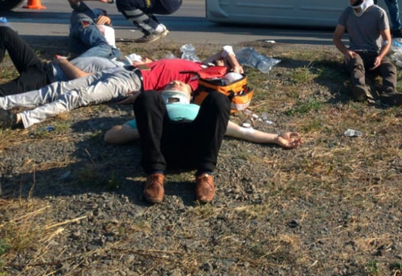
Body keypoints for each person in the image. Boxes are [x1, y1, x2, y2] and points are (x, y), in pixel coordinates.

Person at [111, 81, 302, 204]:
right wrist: (148, 128)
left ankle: (205, 175)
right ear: (164, 94)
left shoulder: (197, 109)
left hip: (197, 147)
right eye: (170, 83)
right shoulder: (153, 108)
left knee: (218, 98)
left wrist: (275, 138)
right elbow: (111, 136)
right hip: (161, 145)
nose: (176, 82)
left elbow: (241, 131)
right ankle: (155, 175)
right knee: (147, 95)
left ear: (190, 95)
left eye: (182, 84)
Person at [0, 48, 243, 130]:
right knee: (61, 87)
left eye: (222, 64)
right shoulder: (199, 64)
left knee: (76, 97)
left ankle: (21, 120)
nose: (219, 59)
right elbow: (224, 50)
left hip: (135, 83)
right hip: (126, 70)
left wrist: (231, 64)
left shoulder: (207, 81)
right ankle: (2, 103)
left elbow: (234, 71)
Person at [0, 2, 123, 116]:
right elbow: (76, 6)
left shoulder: (115, 72)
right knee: (4, 33)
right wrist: (105, 20)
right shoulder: (111, 55)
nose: (141, 59)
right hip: (42, 67)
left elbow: (82, 78)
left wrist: (63, 62)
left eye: (144, 62)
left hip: (45, 80)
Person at [332, 0, 402, 106]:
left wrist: (380, 56)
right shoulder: (347, 12)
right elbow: (336, 37)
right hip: (356, 53)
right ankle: (359, 90)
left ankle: (389, 93)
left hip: (374, 54)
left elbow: (387, 40)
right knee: (357, 64)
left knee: (390, 68)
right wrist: (346, 51)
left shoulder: (378, 13)